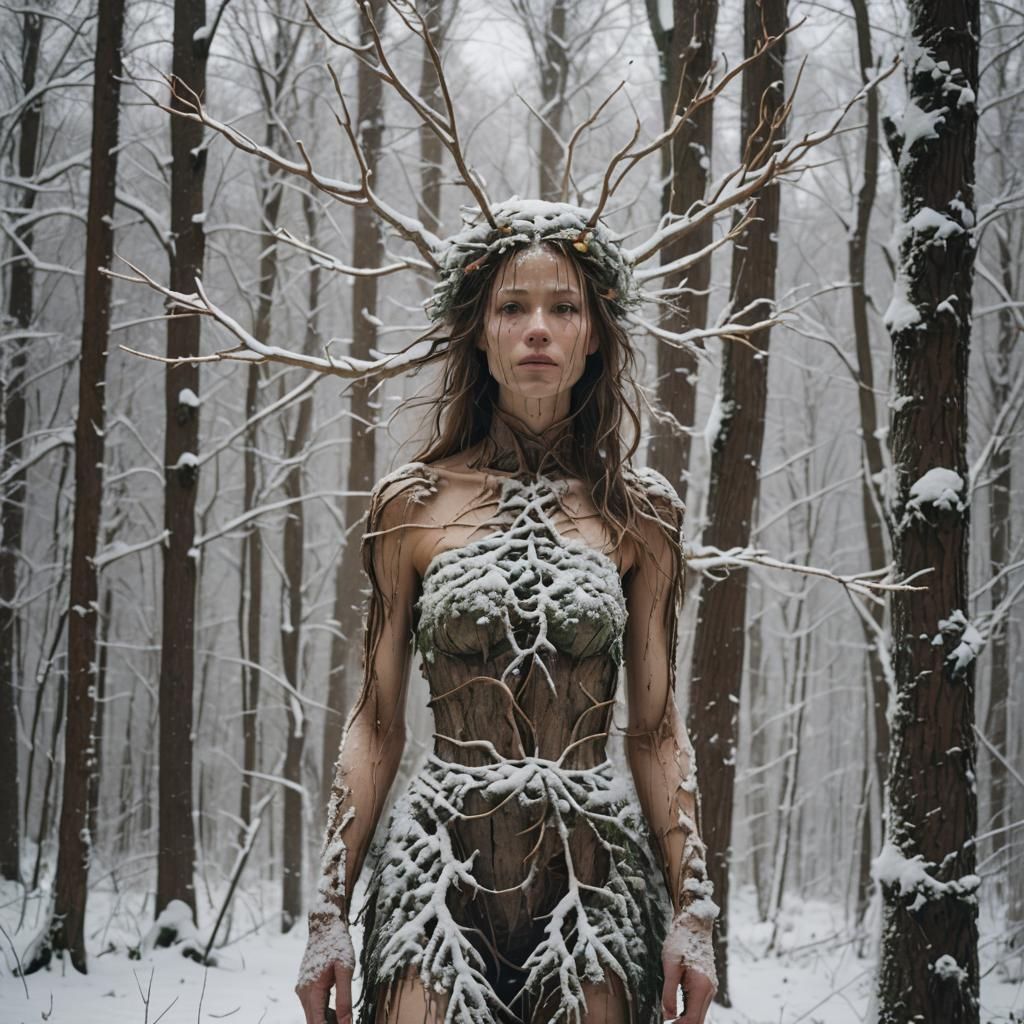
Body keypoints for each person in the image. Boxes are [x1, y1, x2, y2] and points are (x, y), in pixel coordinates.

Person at [295, 200, 719, 1024]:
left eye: (563, 308)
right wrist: (327, 914)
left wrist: (693, 911)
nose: (537, 328)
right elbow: (376, 723)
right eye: (512, 307)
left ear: (593, 335)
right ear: (479, 332)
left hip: (594, 875)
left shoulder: (641, 515)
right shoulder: (412, 505)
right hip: (436, 871)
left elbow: (656, 729)